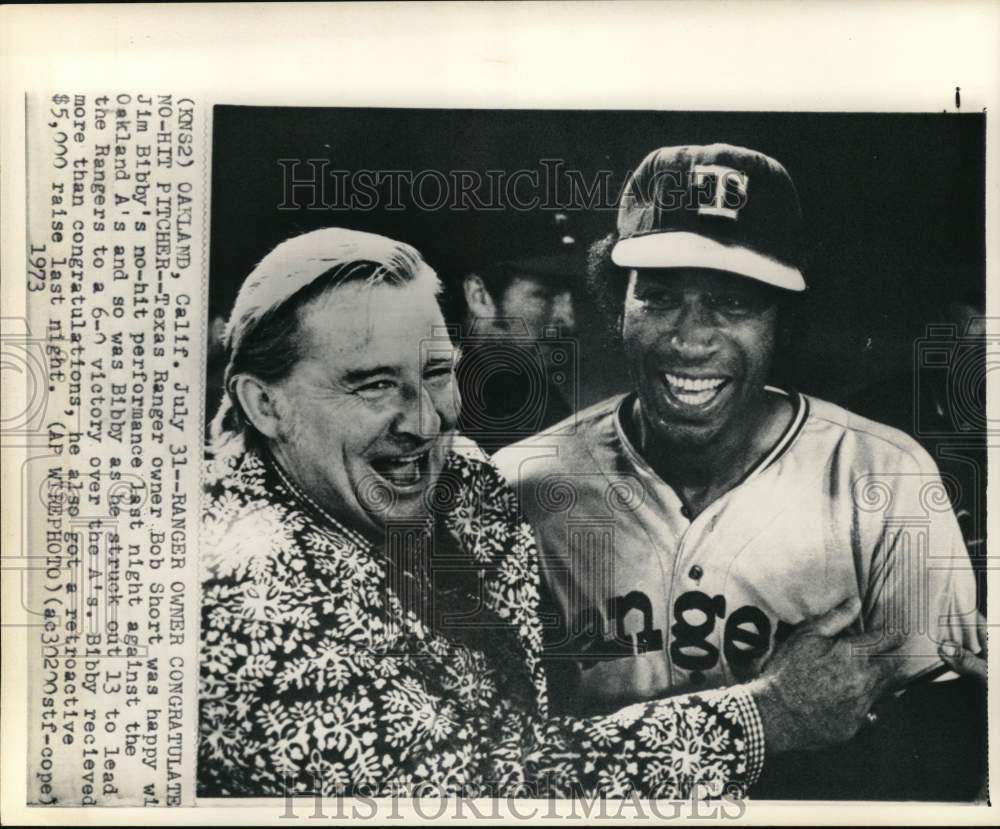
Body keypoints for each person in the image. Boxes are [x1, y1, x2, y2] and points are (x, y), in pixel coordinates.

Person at [198, 226, 904, 799]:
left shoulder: (462, 476)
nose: (425, 418)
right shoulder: (242, 593)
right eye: (372, 384)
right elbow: (480, 791)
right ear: (267, 403)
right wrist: (766, 714)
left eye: (436, 373)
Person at [493, 145, 983, 790]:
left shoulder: (887, 478)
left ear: (784, 321)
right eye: (661, 298)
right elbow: (488, 756)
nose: (692, 339)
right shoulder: (518, 485)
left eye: (735, 302)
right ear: (617, 307)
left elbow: (940, 743)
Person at [453, 214, 579, 453]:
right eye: (543, 296)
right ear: (478, 297)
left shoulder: (542, 402)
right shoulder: (433, 410)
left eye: (570, 298)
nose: (569, 320)